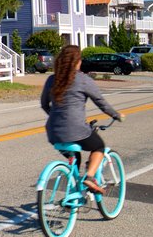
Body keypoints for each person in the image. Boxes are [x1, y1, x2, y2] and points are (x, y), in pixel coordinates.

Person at [40, 45, 123, 194]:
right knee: (99, 146)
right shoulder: (83, 79)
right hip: (76, 129)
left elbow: (44, 104)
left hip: (53, 131)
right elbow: (100, 102)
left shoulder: (52, 79)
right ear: (77, 62)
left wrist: (58, 117)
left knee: (74, 157)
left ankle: (73, 192)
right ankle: (89, 177)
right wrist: (115, 115)